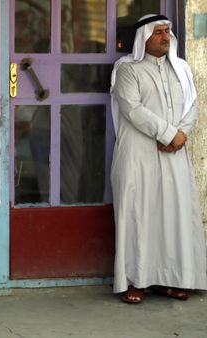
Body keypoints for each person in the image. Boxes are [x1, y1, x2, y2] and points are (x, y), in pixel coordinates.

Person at [110, 14, 206, 304]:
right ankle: (135, 281)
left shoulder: (181, 69)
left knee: (173, 217)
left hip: (174, 154)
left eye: (168, 32)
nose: (165, 37)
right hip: (137, 155)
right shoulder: (127, 69)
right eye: (159, 32)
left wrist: (181, 135)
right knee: (138, 216)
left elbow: (192, 104)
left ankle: (173, 279)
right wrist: (168, 134)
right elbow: (132, 108)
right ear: (144, 38)